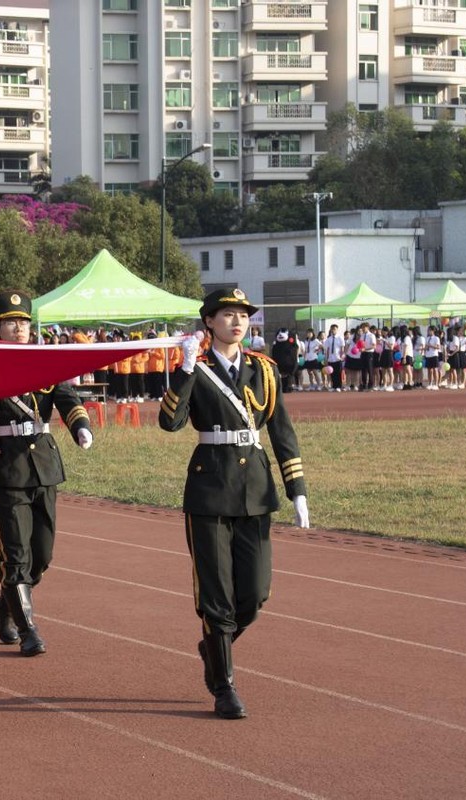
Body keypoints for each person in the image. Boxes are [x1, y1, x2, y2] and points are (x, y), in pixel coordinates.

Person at [159, 288, 309, 720]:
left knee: (256, 592)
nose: (237, 322)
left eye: (242, 315)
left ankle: (213, 645)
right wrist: (184, 370)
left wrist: (297, 489)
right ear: (209, 322)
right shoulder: (197, 368)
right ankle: (224, 685)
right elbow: (170, 423)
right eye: (227, 315)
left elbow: (282, 432)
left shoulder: (265, 370)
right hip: (209, 489)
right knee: (216, 593)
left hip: (256, 489)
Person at [0, 290, 94, 657]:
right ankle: (28, 627)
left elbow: (65, 395)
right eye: (11, 323)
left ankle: (4, 605)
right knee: (16, 554)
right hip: (6, 469)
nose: (19, 329)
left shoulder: (43, 362)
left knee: (42, 555)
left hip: (45, 465)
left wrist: (79, 425)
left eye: (23, 323)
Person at [270, 329, 298, 393]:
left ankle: (289, 386)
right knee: (279, 376)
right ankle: (280, 387)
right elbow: (274, 353)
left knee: (288, 376)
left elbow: (293, 353)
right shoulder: (276, 345)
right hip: (279, 362)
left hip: (289, 363)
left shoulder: (292, 345)